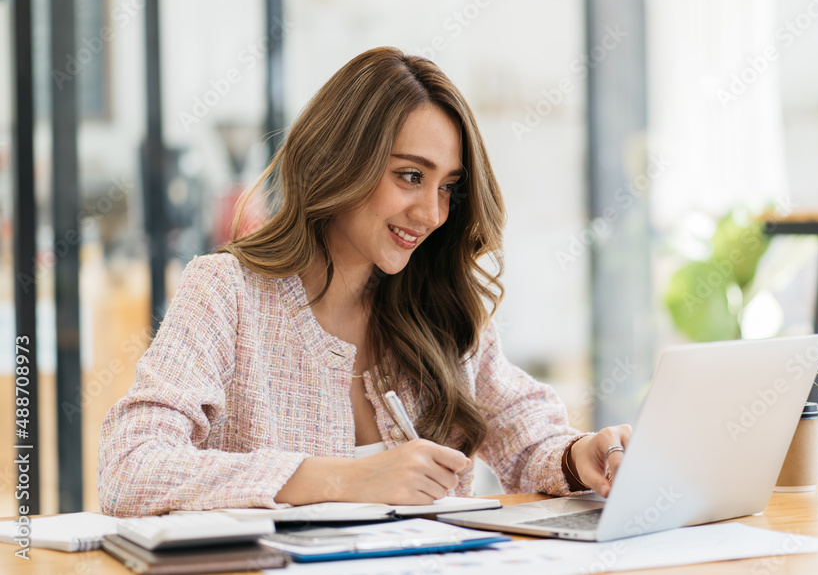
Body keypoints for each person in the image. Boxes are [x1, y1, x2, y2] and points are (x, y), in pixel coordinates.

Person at [97, 47, 632, 517]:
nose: (431, 213)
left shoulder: (437, 306)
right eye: (409, 176)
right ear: (341, 161)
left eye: (449, 187)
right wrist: (341, 480)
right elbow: (131, 467)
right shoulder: (227, 292)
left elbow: (525, 438)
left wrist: (579, 455)